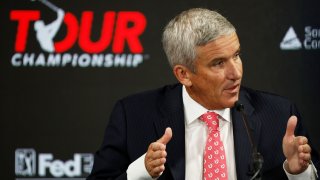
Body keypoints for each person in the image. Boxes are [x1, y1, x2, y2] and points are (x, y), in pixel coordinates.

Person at [87, 8, 319, 180]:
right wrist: (141, 172)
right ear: (184, 74)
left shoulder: (279, 115)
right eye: (218, 63)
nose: (236, 73)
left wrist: (298, 173)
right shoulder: (134, 115)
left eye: (236, 55)